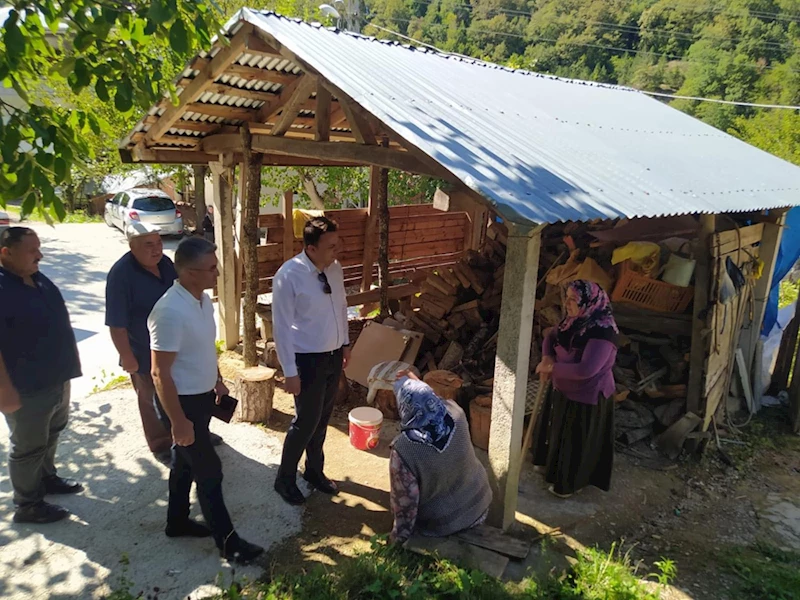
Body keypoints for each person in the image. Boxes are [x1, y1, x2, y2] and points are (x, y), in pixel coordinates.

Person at [148, 237, 263, 564]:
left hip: (200, 399)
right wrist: (178, 422)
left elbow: (203, 347)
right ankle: (230, 544)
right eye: (211, 268)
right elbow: (159, 373)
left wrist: (216, 379)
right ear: (188, 272)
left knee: (183, 464)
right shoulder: (169, 311)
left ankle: (177, 521)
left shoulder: (201, 301)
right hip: (180, 405)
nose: (218, 274)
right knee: (209, 471)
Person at [106, 222, 222, 464]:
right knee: (150, 398)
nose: (156, 249)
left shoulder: (166, 264)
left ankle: (197, 433)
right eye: (149, 244)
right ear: (132, 246)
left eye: (159, 242)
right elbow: (116, 322)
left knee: (185, 397)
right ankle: (161, 444)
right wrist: (126, 355)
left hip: (176, 344)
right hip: (142, 349)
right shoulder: (121, 275)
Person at [0, 227, 83, 524]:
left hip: (56, 377)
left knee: (52, 433)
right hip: (26, 386)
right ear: (5, 253)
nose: (40, 255)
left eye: (39, 247)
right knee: (27, 446)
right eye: (32, 250)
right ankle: (27, 504)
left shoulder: (36, 278)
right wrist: (4, 390)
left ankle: (46, 478)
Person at [271, 216, 351, 506]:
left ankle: (314, 471)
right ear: (311, 248)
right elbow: (280, 328)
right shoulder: (288, 275)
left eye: (336, 244)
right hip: (307, 360)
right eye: (330, 246)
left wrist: (344, 343)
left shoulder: (335, 269)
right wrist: (289, 371)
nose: (336, 250)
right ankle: (284, 479)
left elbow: (341, 307)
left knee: (322, 419)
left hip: (331, 356)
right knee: (305, 422)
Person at [533, 280, 618, 498]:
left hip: (587, 395)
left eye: (573, 299)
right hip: (563, 389)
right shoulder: (572, 321)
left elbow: (586, 370)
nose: (567, 303)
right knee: (560, 435)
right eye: (567, 297)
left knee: (576, 442)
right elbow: (550, 337)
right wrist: (547, 356)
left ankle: (571, 483)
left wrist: (551, 368)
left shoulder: (603, 331)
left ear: (589, 302)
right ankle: (554, 471)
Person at [388, 371, 492, 544]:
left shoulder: (404, 450)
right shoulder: (456, 412)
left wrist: (397, 539)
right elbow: (435, 400)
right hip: (480, 504)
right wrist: (419, 385)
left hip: (445, 523)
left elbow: (405, 504)